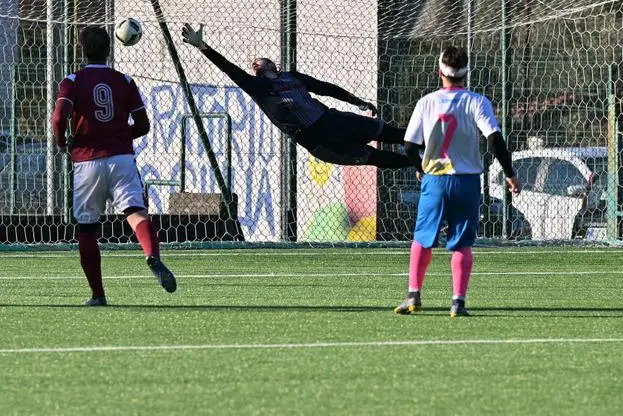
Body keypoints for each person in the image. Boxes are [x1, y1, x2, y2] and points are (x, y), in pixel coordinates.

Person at [50, 26, 177, 306]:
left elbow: (59, 118)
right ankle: (152, 254)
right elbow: (143, 125)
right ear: (110, 49)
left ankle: (98, 294)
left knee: (87, 229)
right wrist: (118, 136)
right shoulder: (125, 81)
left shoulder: (72, 80)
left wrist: (62, 144)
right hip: (121, 159)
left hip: (87, 162)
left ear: (82, 50)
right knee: (135, 212)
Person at [394, 46, 520, 317]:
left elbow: (408, 145)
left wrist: (421, 167)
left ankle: (414, 295)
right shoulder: (477, 101)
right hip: (466, 182)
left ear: (439, 71)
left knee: (422, 239)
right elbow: (494, 139)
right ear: (466, 73)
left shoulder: (426, 102)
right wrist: (509, 173)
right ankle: (457, 302)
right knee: (462, 243)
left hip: (435, 181)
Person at [181, 24, 411, 169]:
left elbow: (326, 88)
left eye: (259, 60)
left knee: (388, 132)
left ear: (272, 64)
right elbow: (228, 68)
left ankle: (430, 142)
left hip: (333, 120)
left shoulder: (292, 78)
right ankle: (420, 164)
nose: (254, 64)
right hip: (318, 142)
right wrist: (203, 46)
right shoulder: (257, 87)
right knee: (376, 158)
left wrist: (357, 101)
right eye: (252, 65)